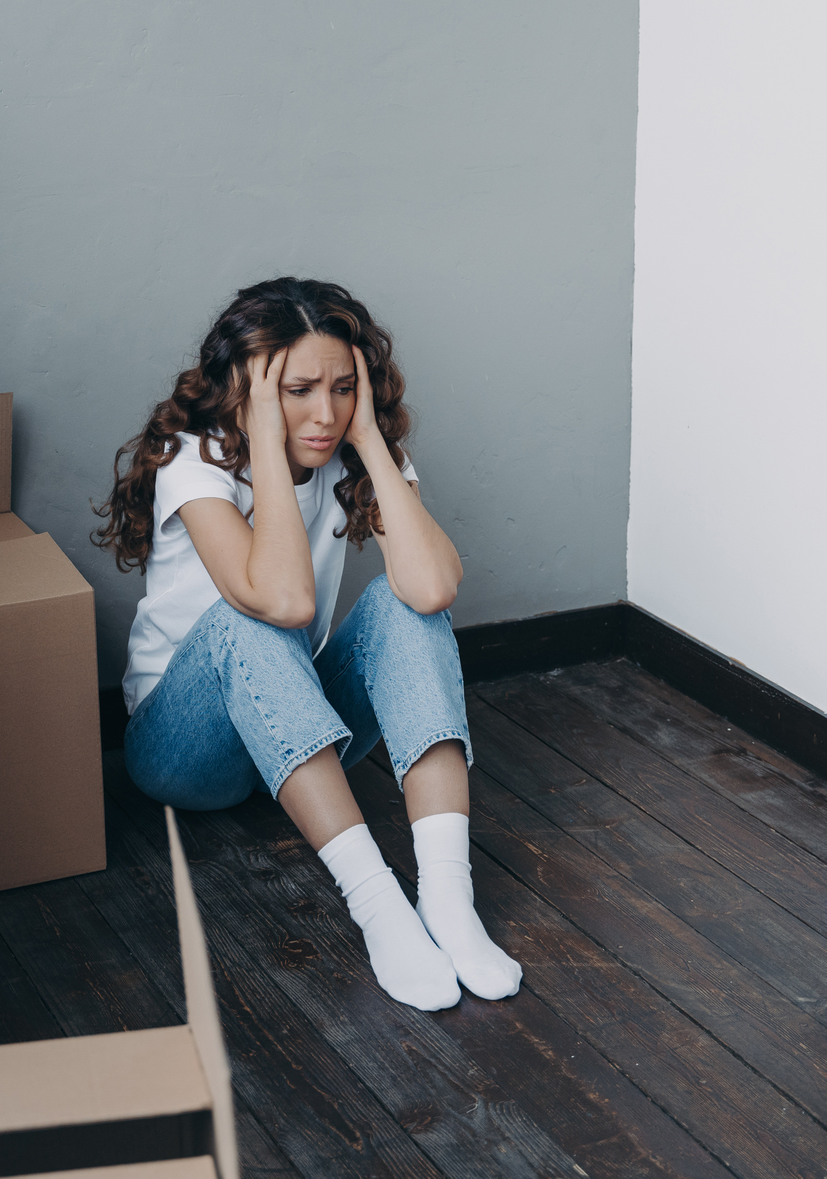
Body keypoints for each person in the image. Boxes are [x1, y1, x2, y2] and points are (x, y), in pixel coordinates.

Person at [94, 277, 523, 1011]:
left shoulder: (347, 442)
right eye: (298, 389)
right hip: (183, 751)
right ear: (252, 388)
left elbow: (432, 588)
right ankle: (380, 908)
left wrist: (369, 442)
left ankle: (448, 902)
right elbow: (284, 601)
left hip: (295, 728)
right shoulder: (193, 460)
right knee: (247, 616)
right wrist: (263, 433)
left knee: (400, 600)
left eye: (343, 387)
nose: (324, 413)